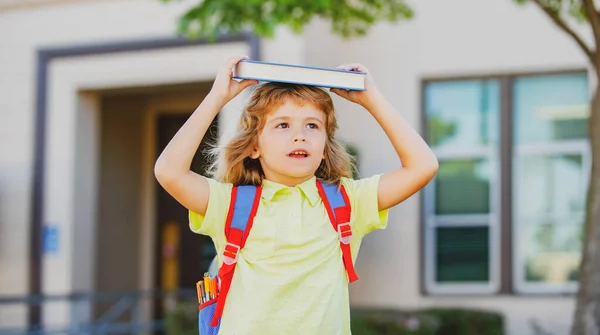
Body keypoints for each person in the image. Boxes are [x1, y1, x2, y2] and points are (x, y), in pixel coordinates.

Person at [154, 55, 438, 335]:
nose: (300, 135)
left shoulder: (348, 201)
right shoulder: (230, 204)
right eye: (283, 125)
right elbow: (170, 172)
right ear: (254, 147)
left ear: (325, 146)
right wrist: (216, 98)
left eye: (313, 125)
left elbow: (422, 166)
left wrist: (371, 99)